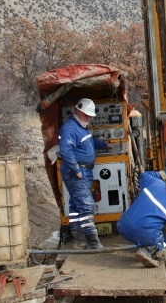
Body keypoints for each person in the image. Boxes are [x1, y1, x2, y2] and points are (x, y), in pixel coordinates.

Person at [59, 98, 111, 250]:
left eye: (90, 116)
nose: (89, 118)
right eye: (86, 115)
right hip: (76, 172)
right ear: (78, 111)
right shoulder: (69, 128)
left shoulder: (81, 127)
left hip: (84, 171)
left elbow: (90, 142)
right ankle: (93, 243)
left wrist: (104, 145)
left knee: (75, 206)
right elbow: (66, 151)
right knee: (86, 205)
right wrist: (76, 171)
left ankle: (79, 239)